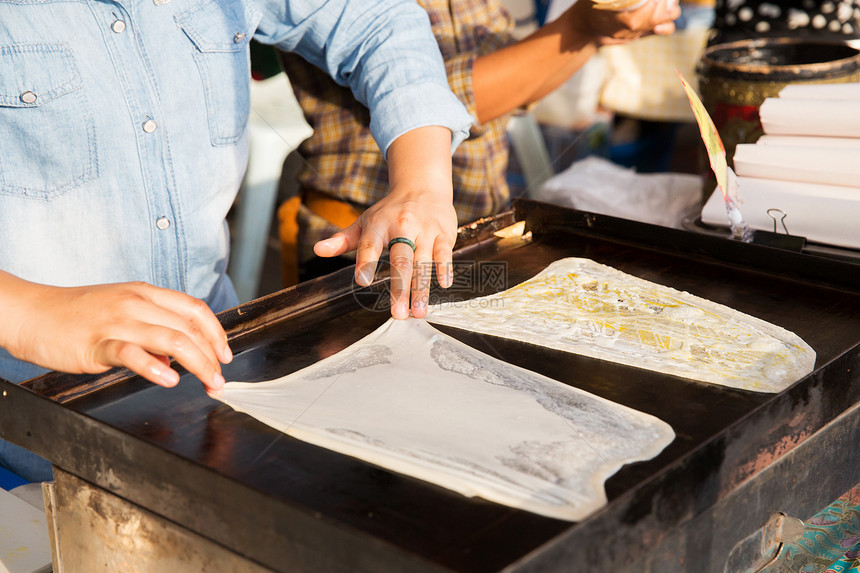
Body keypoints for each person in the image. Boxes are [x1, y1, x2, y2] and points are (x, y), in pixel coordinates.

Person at [0, 0, 474, 482]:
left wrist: (421, 180)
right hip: (23, 429)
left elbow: (375, 19)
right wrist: (24, 311)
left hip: (214, 382)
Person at [278, 0, 681, 291]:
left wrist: (598, 28)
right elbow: (444, 99)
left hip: (477, 236)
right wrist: (581, 28)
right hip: (373, 244)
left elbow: (510, 87)